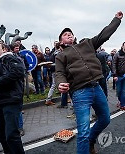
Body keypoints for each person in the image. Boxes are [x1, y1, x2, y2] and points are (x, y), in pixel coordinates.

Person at [55, 11, 123, 154]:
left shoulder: (87, 43)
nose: (69, 34)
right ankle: (87, 143)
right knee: (83, 132)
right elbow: (59, 73)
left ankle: (91, 140)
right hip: (80, 92)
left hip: (96, 87)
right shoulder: (61, 56)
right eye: (65, 34)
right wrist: (61, 83)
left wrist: (116, 20)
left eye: (70, 33)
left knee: (105, 119)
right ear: (61, 41)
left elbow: (104, 34)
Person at [112, 42, 125, 111]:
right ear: (122, 46)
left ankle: (123, 104)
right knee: (119, 91)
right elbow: (113, 65)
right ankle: (120, 101)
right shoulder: (118, 54)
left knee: (124, 91)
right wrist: (114, 75)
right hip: (119, 75)